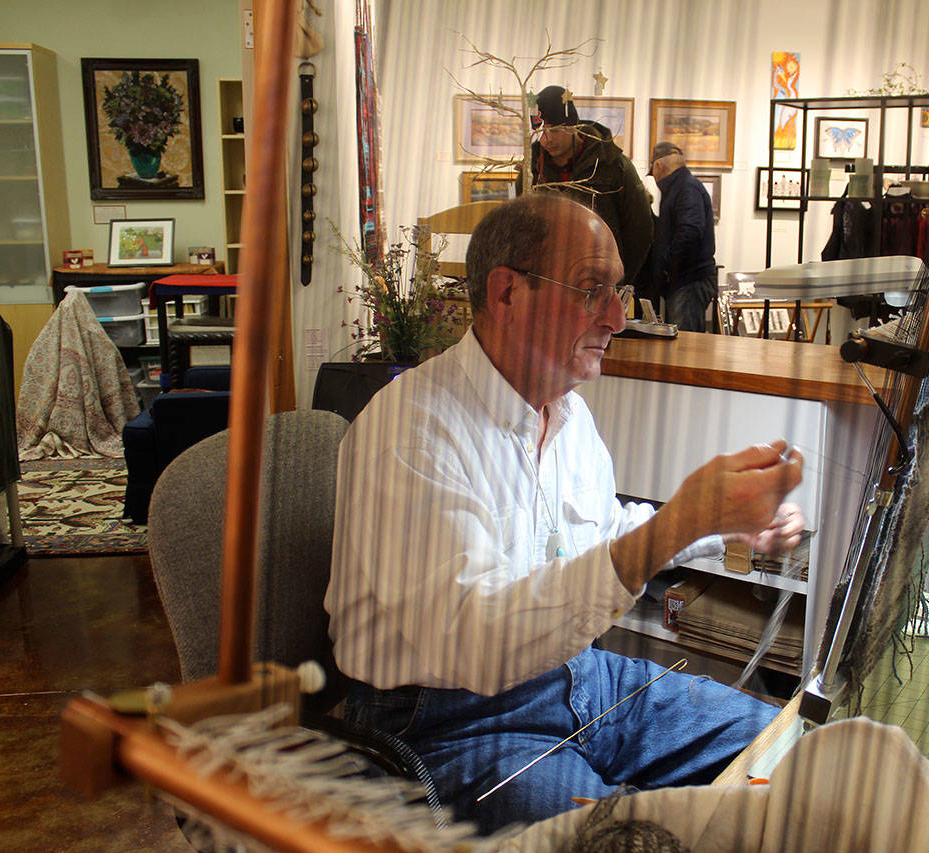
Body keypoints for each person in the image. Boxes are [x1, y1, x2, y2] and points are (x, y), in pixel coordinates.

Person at [325, 194, 805, 835]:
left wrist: (717, 526)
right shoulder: (411, 432)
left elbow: (601, 533)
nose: (617, 316)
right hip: (448, 721)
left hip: (579, 678)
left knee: (794, 750)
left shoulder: (568, 413)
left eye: (619, 291)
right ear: (506, 295)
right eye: (591, 290)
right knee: (624, 845)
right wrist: (678, 522)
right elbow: (478, 646)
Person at [520, 84, 654, 288]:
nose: (547, 139)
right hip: (547, 285)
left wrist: (617, 280)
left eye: (554, 130)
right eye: (541, 131)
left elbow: (639, 229)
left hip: (600, 283)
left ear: (572, 125)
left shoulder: (612, 164)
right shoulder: (531, 169)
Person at [648, 142, 718, 332]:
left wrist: (668, 266)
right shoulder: (682, 187)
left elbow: (690, 232)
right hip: (686, 280)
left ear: (658, 166)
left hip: (688, 282)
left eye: (652, 171)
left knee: (685, 346)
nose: (654, 178)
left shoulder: (685, 188)